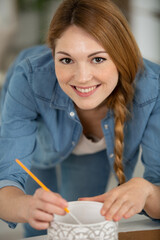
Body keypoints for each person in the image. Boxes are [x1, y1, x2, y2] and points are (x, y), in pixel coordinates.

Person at [0, 0, 160, 237]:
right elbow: (6, 184)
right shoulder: (29, 77)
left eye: (98, 59)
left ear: (121, 56)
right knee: (38, 224)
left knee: (81, 222)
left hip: (90, 152)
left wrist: (147, 190)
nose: (82, 78)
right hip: (43, 142)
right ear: (52, 55)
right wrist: (26, 207)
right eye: (66, 60)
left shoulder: (152, 88)